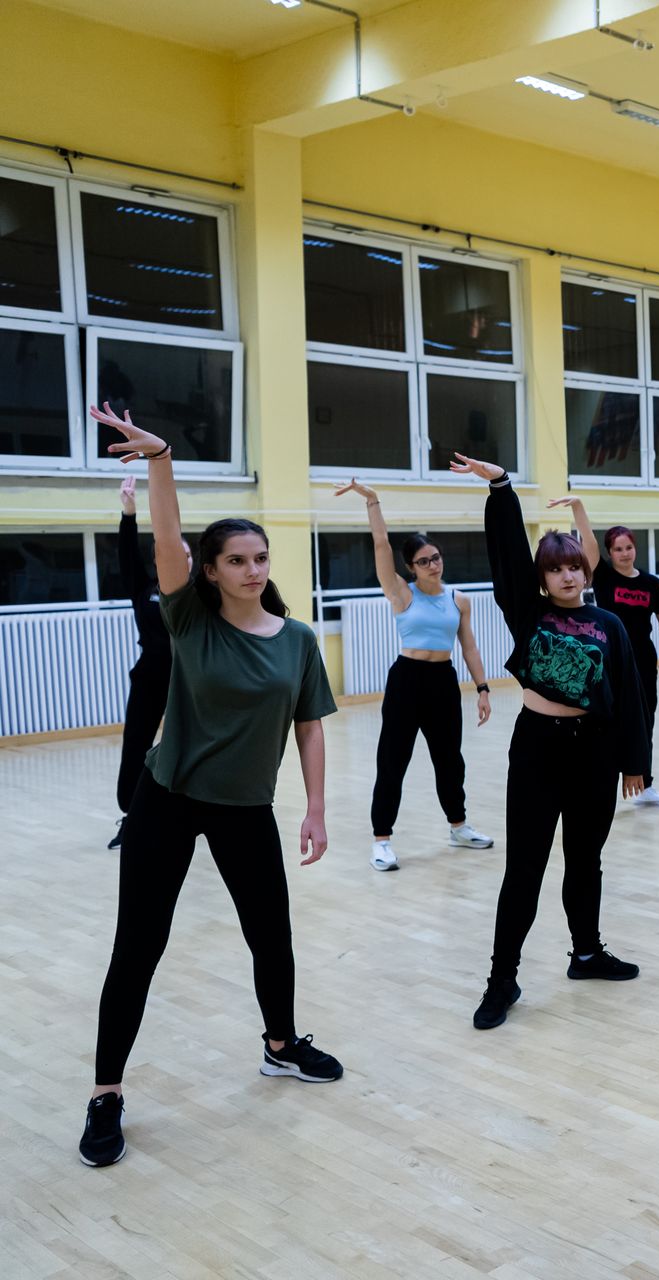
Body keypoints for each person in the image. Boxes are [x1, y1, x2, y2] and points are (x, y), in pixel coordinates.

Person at [81, 403, 341, 1169]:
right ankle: (105, 1093)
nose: (253, 570)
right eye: (237, 560)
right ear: (212, 569)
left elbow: (310, 726)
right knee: (139, 946)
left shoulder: (296, 640)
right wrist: (161, 458)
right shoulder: (190, 620)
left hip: (245, 808)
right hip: (167, 799)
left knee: (272, 935)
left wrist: (316, 808)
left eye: (260, 558)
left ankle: (281, 1045)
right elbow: (166, 538)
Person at [451, 453, 650, 1031]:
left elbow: (630, 696)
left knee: (586, 860)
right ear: (542, 578)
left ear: (586, 572)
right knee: (525, 868)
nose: (567, 576)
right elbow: (508, 555)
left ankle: (586, 954)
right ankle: (502, 979)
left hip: (595, 751)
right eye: (556, 569)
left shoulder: (609, 625)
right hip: (538, 748)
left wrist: (635, 762)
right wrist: (501, 488)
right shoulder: (527, 611)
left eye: (574, 568)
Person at [333, 480, 493, 871]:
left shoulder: (459, 599)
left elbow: (469, 647)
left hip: (443, 681)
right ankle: (381, 840)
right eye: (424, 561)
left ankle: (458, 826)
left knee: (450, 760)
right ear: (411, 568)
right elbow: (381, 545)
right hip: (407, 681)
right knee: (393, 760)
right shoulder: (401, 593)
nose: (433, 565)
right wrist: (372, 501)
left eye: (436, 557)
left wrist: (483, 688)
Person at [553, 497, 659, 808]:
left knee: (644, 722)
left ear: (635, 549)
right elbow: (588, 542)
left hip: (642, 661)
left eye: (628, 547)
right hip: (607, 661)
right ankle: (597, 782)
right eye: (618, 549)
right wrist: (578, 507)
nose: (624, 553)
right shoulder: (603, 576)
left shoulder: (652, 584)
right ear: (609, 553)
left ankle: (644, 784)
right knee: (604, 722)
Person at [109, 476, 182, 850]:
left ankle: (194, 812)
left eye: (186, 555)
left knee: (189, 746)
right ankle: (132, 814)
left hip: (190, 681)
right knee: (136, 744)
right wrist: (129, 513)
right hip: (150, 677)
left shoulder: (198, 596)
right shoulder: (144, 589)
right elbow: (127, 557)